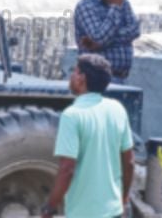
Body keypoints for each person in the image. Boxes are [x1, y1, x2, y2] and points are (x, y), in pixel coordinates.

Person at [42, 55, 135, 218]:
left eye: (74, 71)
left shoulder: (72, 116)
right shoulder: (117, 109)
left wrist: (50, 207)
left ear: (81, 79)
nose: (71, 76)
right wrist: (124, 198)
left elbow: (66, 170)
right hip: (114, 211)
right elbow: (129, 163)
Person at [73, 0, 141, 82]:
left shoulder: (122, 2)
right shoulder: (86, 6)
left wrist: (103, 42)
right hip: (96, 80)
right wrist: (115, 7)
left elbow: (135, 30)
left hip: (121, 77)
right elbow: (99, 37)